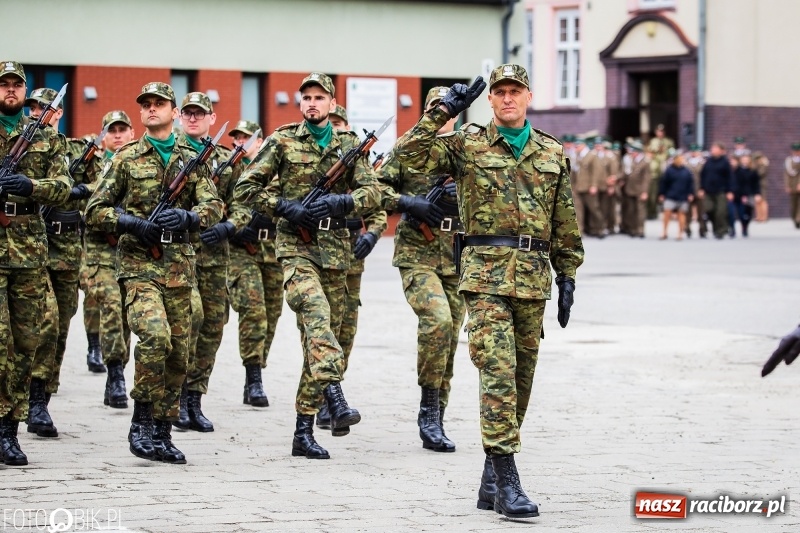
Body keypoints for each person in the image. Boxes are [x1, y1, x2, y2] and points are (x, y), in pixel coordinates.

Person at [393, 64, 584, 519]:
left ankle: (490, 480)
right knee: (497, 371)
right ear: (491, 99)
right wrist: (443, 111)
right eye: (499, 92)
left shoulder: (550, 151)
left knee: (521, 381)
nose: (507, 98)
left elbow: (564, 217)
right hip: (484, 277)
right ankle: (508, 481)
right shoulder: (467, 144)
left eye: (515, 91)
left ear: (529, 96)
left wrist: (568, 273)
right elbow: (406, 155)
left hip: (533, 279)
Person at [234, 72, 442, 459]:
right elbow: (246, 188)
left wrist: (343, 203)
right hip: (296, 247)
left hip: (336, 253)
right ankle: (335, 395)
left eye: (320, 97)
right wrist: (284, 207)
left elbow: (374, 192)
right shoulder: (282, 140)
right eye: (307, 97)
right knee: (316, 317)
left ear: (332, 104)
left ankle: (303, 429)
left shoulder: (349, 145)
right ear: (300, 103)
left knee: (323, 339)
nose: (312, 103)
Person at [85, 82, 223, 464]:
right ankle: (141, 422)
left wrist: (189, 216)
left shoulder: (190, 158)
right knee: (155, 335)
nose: (150, 108)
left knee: (179, 352)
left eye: (158, 103)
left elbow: (214, 206)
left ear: (173, 112)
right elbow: (95, 209)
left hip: (179, 265)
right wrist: (129, 223)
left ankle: (163, 431)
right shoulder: (126, 157)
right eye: (145, 104)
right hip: (138, 263)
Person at [378, 87, 465, 453]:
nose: (442, 115)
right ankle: (428, 412)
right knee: (438, 321)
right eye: (435, 108)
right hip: (418, 253)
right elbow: (374, 190)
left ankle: (438, 416)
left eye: (448, 110)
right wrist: (408, 203)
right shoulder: (407, 148)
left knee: (450, 337)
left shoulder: (467, 148)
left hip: (458, 256)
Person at [0, 61, 71, 466]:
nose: (10, 90)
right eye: (4, 84)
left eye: (16, 84)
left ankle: (9, 429)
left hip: (28, 249)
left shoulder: (44, 137)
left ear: (24, 91)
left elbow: (63, 188)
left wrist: (31, 186)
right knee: (1, 341)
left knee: (27, 342)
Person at [173, 92, 249, 433]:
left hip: (215, 258)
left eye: (199, 113)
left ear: (211, 118)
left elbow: (244, 202)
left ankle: (194, 399)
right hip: (178, 256)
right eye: (188, 113)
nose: (193, 119)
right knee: (188, 322)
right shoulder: (171, 153)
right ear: (179, 116)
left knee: (212, 328)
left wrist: (228, 227)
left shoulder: (226, 160)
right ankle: (174, 397)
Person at [24, 88, 98, 438]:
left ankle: (42, 398)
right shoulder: (23, 146)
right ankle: (28, 396)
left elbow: (103, 187)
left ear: (59, 112)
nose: (39, 112)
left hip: (67, 250)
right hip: (32, 246)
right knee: (46, 322)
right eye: (34, 107)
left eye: (46, 108)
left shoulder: (76, 150)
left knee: (61, 328)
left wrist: (80, 191)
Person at [316, 105, 388, 435]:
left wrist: (372, 235)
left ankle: (332, 394)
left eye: (339, 123)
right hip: (320, 255)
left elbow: (377, 209)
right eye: (330, 124)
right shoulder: (316, 165)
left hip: (351, 261)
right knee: (321, 328)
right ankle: (325, 399)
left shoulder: (359, 165)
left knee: (345, 332)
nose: (335, 128)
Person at [82, 111, 136, 409]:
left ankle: (118, 368)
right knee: (113, 306)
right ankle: (115, 374)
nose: (117, 135)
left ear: (131, 133)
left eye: (122, 129)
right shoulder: (92, 165)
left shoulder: (139, 163)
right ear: (103, 136)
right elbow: (84, 205)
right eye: (111, 130)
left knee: (127, 313)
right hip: (100, 251)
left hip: (131, 250)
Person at [225, 120, 276, 408]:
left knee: (272, 315)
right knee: (253, 310)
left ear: (259, 142)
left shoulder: (271, 168)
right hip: (240, 250)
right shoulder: (228, 169)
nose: (239, 142)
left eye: (245, 138)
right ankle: (253, 377)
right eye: (236, 138)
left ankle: (257, 369)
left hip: (272, 250)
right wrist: (232, 228)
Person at [699, 142, 733, 239]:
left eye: (715, 148)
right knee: (708, 210)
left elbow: (730, 177)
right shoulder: (708, 161)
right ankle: (715, 228)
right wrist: (701, 188)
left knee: (720, 212)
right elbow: (703, 175)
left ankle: (721, 231)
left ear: (721, 151)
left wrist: (730, 191)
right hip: (708, 191)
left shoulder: (725, 162)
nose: (712, 150)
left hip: (721, 191)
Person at [657, 153, 694, 240]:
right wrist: (661, 193)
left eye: (682, 159)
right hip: (670, 195)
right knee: (667, 213)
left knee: (681, 214)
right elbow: (664, 183)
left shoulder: (687, 171)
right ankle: (664, 232)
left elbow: (690, 183)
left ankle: (680, 233)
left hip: (683, 196)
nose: (681, 161)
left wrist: (691, 193)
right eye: (679, 159)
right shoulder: (669, 170)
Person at [619, 140, 651, 238]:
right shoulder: (631, 161)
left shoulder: (645, 162)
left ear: (637, 152)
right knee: (631, 211)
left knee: (640, 211)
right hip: (630, 189)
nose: (631, 154)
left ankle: (640, 230)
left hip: (640, 190)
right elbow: (626, 174)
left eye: (633, 152)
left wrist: (645, 192)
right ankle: (632, 229)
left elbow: (646, 179)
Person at [728, 154, 760, 238]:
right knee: (731, 213)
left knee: (744, 214)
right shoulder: (731, 171)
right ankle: (732, 229)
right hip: (732, 195)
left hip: (745, 194)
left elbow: (753, 184)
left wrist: (755, 193)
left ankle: (745, 228)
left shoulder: (750, 171)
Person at [783, 142, 800, 229]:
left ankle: (798, 219)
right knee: (793, 204)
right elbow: (786, 174)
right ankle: (794, 218)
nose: (797, 152)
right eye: (795, 151)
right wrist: (787, 185)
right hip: (792, 185)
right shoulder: (789, 161)